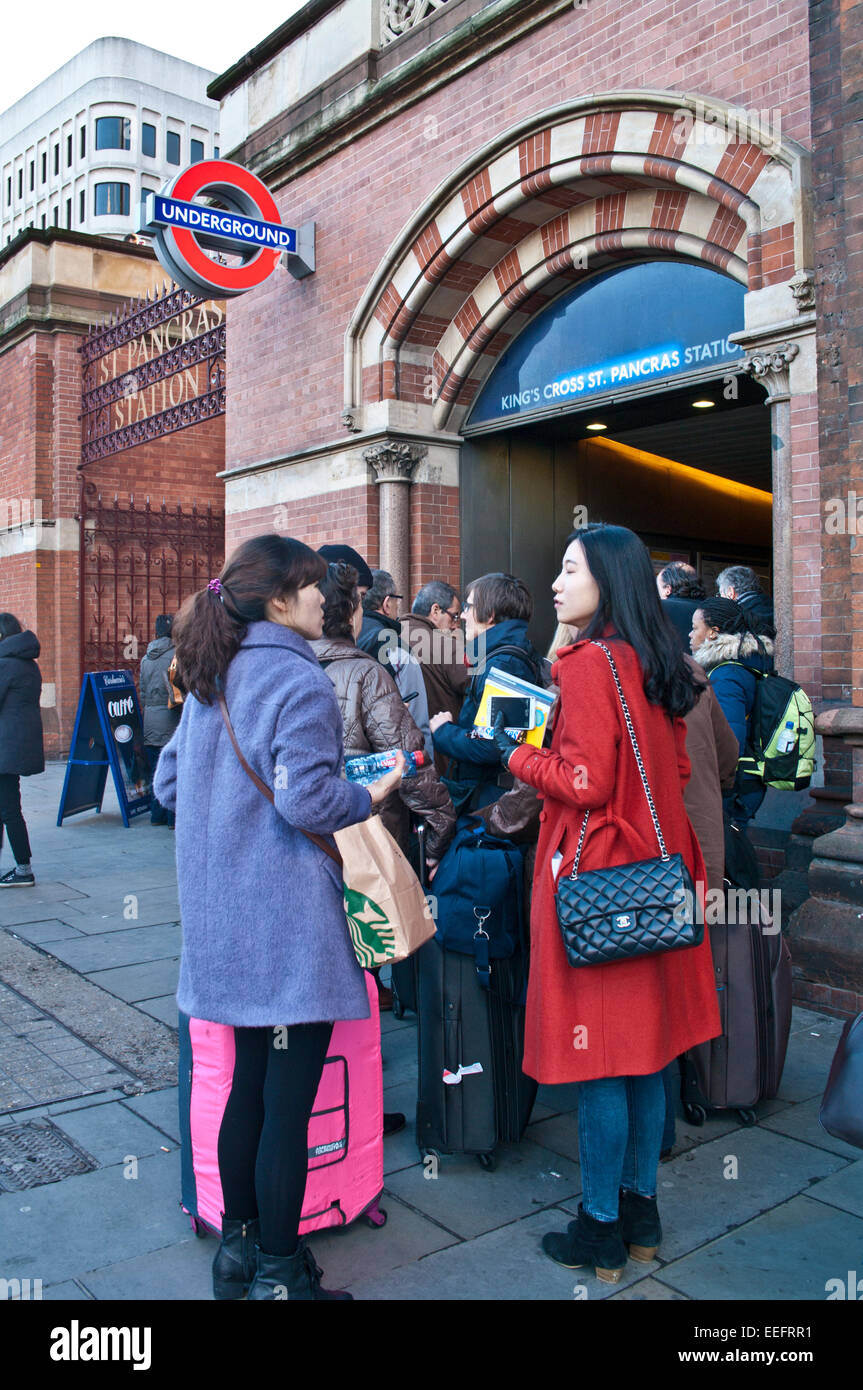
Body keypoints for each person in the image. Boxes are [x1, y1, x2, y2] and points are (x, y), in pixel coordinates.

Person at [153, 535, 404, 1301]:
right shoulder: (295, 680)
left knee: (248, 1090)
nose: (325, 595)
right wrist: (373, 790)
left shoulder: (210, 674)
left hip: (223, 920)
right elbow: (307, 802)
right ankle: (279, 1270)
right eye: (310, 584)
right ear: (277, 599)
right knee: (287, 1108)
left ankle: (237, 1251)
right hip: (288, 924)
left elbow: (167, 786)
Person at [492, 524, 720, 1282]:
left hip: (599, 883)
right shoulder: (660, 660)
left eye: (567, 570)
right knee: (647, 1056)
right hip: (658, 877)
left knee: (601, 1063)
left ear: (606, 580)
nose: (554, 584)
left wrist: (517, 754)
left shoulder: (589, 664)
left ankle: (597, 1229)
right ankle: (640, 1216)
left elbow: (584, 784)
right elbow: (679, 769)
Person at [430, 572, 542, 812]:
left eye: (469, 606)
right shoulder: (499, 657)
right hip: (490, 796)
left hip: (491, 803)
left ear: (490, 615)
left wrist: (443, 732)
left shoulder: (505, 664)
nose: (463, 615)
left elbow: (493, 744)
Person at [690, 596, 774, 827]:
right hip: (746, 779)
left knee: (729, 853)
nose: (690, 634)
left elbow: (729, 736)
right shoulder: (743, 665)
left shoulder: (726, 674)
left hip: (735, 784)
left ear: (713, 633)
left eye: (695, 627)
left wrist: (716, 781)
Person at [358, 570, 433, 758]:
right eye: (397, 600)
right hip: (391, 765)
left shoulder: (338, 639)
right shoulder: (395, 648)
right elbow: (417, 722)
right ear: (386, 603)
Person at [0, 613, 44, 887]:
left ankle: (24, 869)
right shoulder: (28, 664)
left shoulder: (4, 665)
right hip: (14, 747)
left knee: (9, 810)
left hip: (5, 748)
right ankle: (21, 866)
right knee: (7, 807)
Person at [401, 581, 469, 725]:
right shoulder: (447, 646)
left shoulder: (391, 636)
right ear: (436, 611)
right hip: (439, 738)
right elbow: (475, 686)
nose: (456, 625)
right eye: (455, 616)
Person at [139, 614, 180, 826]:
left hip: (150, 721)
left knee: (155, 768)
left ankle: (157, 816)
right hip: (171, 719)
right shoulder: (177, 655)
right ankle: (173, 817)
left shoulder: (146, 659)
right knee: (173, 768)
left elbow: (143, 694)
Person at [716, 564, 775, 637]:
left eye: (720, 594)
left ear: (730, 592)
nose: (720, 598)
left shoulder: (737, 618)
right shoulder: (774, 606)